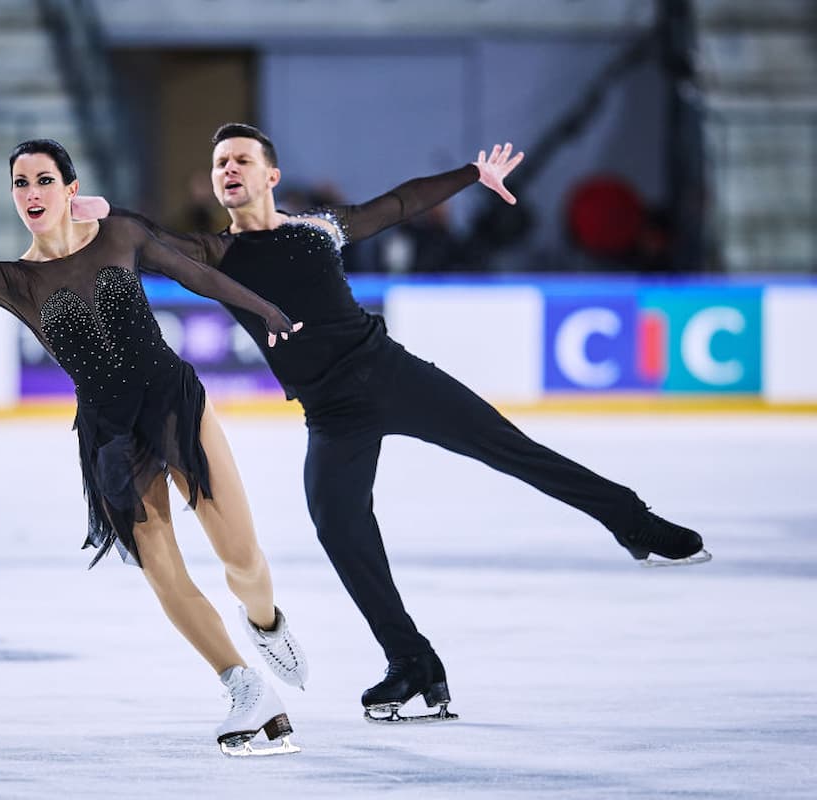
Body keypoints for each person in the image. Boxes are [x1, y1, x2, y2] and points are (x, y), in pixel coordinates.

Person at [76, 123, 711, 724]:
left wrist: (471, 174)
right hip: (331, 414)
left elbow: (399, 204)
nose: (230, 169)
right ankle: (412, 661)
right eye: (220, 163)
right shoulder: (213, 253)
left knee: (511, 449)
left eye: (242, 159)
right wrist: (100, 212)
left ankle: (636, 523)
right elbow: (146, 239)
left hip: (389, 373)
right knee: (338, 524)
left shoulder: (318, 229)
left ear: (272, 174)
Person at [0, 139, 308, 755]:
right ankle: (244, 686)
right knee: (163, 570)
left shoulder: (120, 237)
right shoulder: (15, 281)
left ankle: (266, 622)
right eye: (21, 183)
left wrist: (266, 311)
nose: (32, 194)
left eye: (44, 180)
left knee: (241, 557)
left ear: (69, 188)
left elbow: (201, 275)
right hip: (110, 432)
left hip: (172, 403)